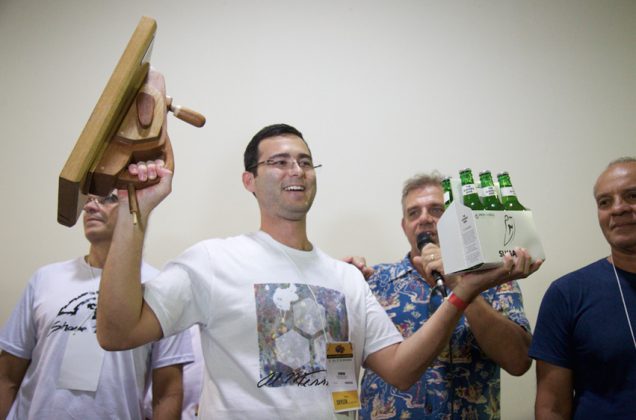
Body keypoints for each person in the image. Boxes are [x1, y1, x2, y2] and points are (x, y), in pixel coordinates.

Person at [95, 123, 540, 419]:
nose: (297, 170)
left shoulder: (345, 279)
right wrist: (139, 211)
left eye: (306, 161)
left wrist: (464, 291)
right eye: (280, 161)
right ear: (249, 180)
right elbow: (116, 332)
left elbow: (401, 370)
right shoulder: (214, 261)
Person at [0, 191, 195, 419]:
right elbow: (7, 376)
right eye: (88, 200)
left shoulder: (160, 288)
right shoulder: (45, 279)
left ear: (132, 207)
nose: (90, 207)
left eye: (107, 199)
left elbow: (168, 393)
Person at [358, 172, 534, 419]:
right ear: (404, 226)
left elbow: (519, 362)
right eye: (413, 213)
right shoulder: (374, 282)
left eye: (436, 210)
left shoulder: (493, 278)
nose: (424, 219)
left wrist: (462, 284)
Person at [530, 157, 636, 419]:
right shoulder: (567, 295)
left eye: (632, 196)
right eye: (605, 202)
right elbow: (551, 408)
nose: (618, 209)